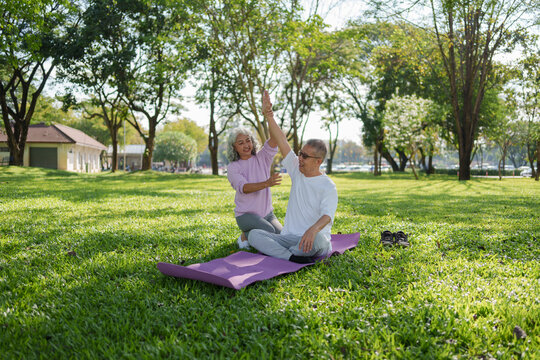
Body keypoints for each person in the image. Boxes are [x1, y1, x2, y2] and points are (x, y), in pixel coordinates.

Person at [248, 91, 338, 263]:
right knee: (254, 234)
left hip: (313, 239)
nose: (300, 159)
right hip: (289, 238)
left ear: (318, 161)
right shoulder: (297, 170)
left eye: (305, 156)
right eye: (300, 153)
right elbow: (281, 140)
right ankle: (292, 257)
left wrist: (312, 230)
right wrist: (268, 115)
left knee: (319, 240)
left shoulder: (328, 186)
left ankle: (284, 253)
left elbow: (327, 216)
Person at [226, 127, 283, 249]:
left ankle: (251, 235)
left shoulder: (262, 157)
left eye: (248, 140)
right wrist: (267, 183)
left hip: (267, 214)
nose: (246, 145)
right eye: (240, 143)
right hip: (246, 216)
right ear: (234, 147)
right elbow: (244, 188)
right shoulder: (233, 167)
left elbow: (275, 138)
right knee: (268, 231)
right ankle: (245, 235)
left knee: (283, 238)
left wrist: (268, 115)